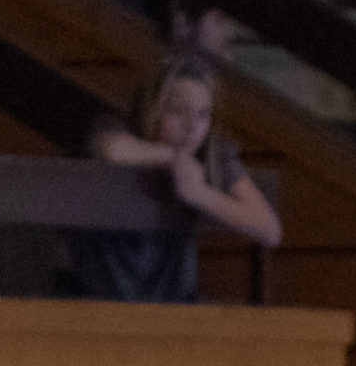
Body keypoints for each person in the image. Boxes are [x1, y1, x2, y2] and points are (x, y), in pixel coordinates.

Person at [79, 53, 281, 305]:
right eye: (177, 111)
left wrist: (199, 193)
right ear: (152, 108)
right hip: (107, 293)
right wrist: (173, 158)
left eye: (203, 114)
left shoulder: (211, 154)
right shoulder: (118, 126)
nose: (192, 127)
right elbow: (114, 150)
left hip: (177, 298)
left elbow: (269, 229)